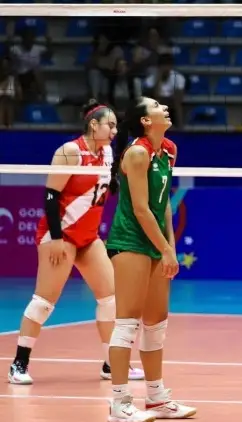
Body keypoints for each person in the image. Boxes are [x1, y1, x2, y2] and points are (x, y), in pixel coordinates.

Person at [7, 99, 145, 385]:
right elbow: (50, 197)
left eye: (117, 126)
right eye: (110, 125)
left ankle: (111, 364)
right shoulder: (70, 152)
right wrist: (56, 239)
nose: (114, 131)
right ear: (93, 125)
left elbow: (110, 187)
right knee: (43, 302)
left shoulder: (108, 153)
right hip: (60, 235)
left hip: (88, 237)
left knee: (111, 299)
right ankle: (18, 364)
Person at [105, 97, 195, 422]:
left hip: (156, 244)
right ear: (145, 120)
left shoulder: (168, 149)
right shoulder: (137, 153)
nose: (165, 107)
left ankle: (156, 397)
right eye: (156, 105)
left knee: (156, 324)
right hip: (130, 241)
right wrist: (166, 250)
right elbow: (141, 210)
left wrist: (168, 246)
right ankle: (119, 403)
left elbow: (163, 204)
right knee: (127, 324)